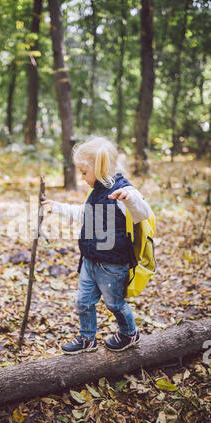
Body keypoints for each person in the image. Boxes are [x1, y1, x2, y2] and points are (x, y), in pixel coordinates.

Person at [41, 136, 151, 353]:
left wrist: (128, 199)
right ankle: (87, 338)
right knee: (83, 301)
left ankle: (129, 333)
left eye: (84, 172)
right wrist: (57, 207)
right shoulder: (96, 191)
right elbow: (83, 213)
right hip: (90, 261)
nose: (82, 178)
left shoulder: (124, 191)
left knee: (114, 304)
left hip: (112, 266)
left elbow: (143, 213)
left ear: (99, 168)